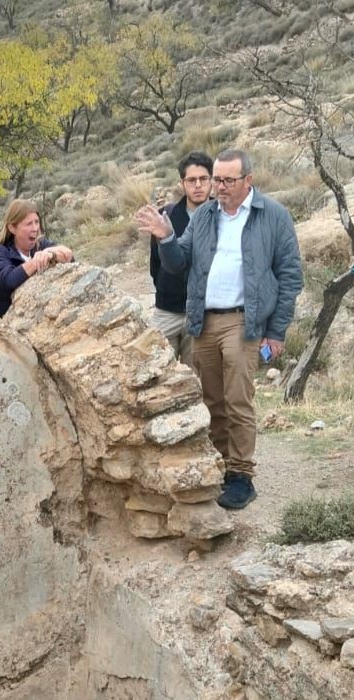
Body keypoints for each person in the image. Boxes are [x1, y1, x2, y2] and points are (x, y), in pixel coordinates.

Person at [134, 149, 303, 511]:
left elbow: (290, 276)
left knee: (237, 398)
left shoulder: (273, 215)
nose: (219, 187)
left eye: (227, 180)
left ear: (248, 180)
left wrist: (276, 333)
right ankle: (223, 468)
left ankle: (242, 475)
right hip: (203, 320)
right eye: (217, 180)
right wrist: (165, 237)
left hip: (244, 321)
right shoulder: (206, 215)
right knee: (211, 400)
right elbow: (178, 263)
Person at [148, 152, 214, 361]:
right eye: (191, 180)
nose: (198, 185)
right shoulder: (166, 216)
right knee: (158, 367)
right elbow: (155, 264)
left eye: (203, 179)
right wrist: (165, 287)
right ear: (182, 183)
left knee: (195, 374)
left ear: (212, 181)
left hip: (202, 314)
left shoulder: (222, 216)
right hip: (167, 310)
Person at [0, 199, 74, 317]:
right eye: (29, 224)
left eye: (36, 222)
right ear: (12, 228)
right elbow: (10, 280)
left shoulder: (41, 245)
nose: (35, 228)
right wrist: (36, 262)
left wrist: (52, 253)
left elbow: (70, 257)